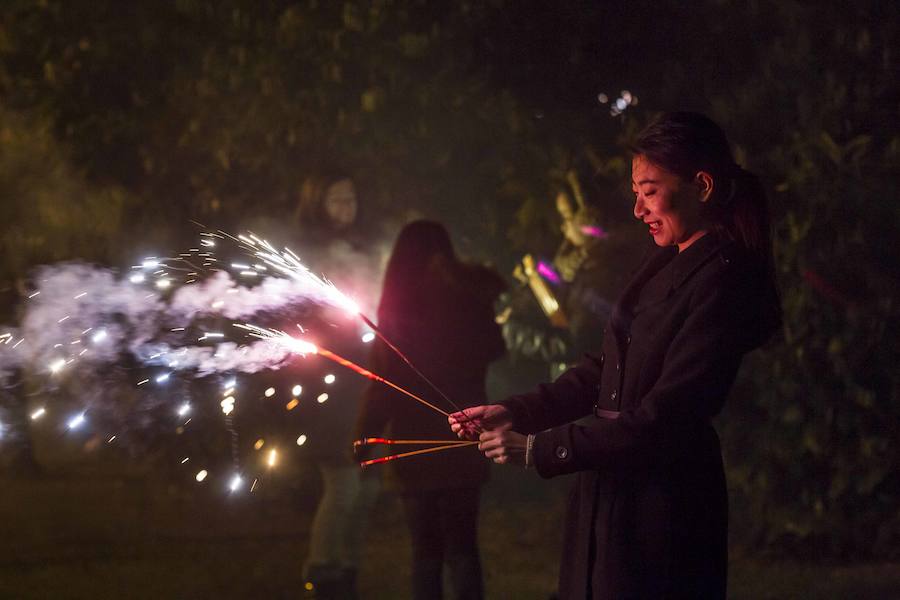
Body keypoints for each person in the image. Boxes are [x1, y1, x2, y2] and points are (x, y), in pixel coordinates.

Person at [450, 112, 781, 599]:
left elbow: (668, 413)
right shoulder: (665, 260)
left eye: (649, 191)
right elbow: (605, 370)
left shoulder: (722, 280)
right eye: (636, 192)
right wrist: (516, 411)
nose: (637, 209)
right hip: (610, 487)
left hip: (663, 504)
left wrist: (542, 449)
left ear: (703, 186)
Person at [356, 220, 505, 600]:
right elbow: (495, 349)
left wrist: (365, 433)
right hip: (463, 437)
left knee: (425, 552)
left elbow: (383, 382)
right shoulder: (470, 296)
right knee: (463, 548)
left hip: (413, 444)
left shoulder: (398, 307)